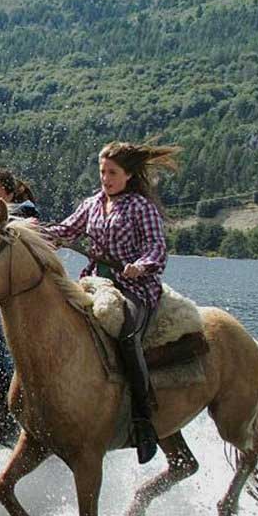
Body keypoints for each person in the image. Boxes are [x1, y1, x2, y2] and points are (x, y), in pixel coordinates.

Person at [43, 141, 181, 464]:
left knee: (127, 334)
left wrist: (140, 266)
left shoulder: (141, 207)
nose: (105, 178)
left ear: (128, 175)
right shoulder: (92, 204)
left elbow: (157, 249)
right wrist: (35, 233)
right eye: (102, 172)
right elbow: (66, 229)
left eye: (112, 173)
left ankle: (143, 419)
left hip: (135, 288)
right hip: (94, 283)